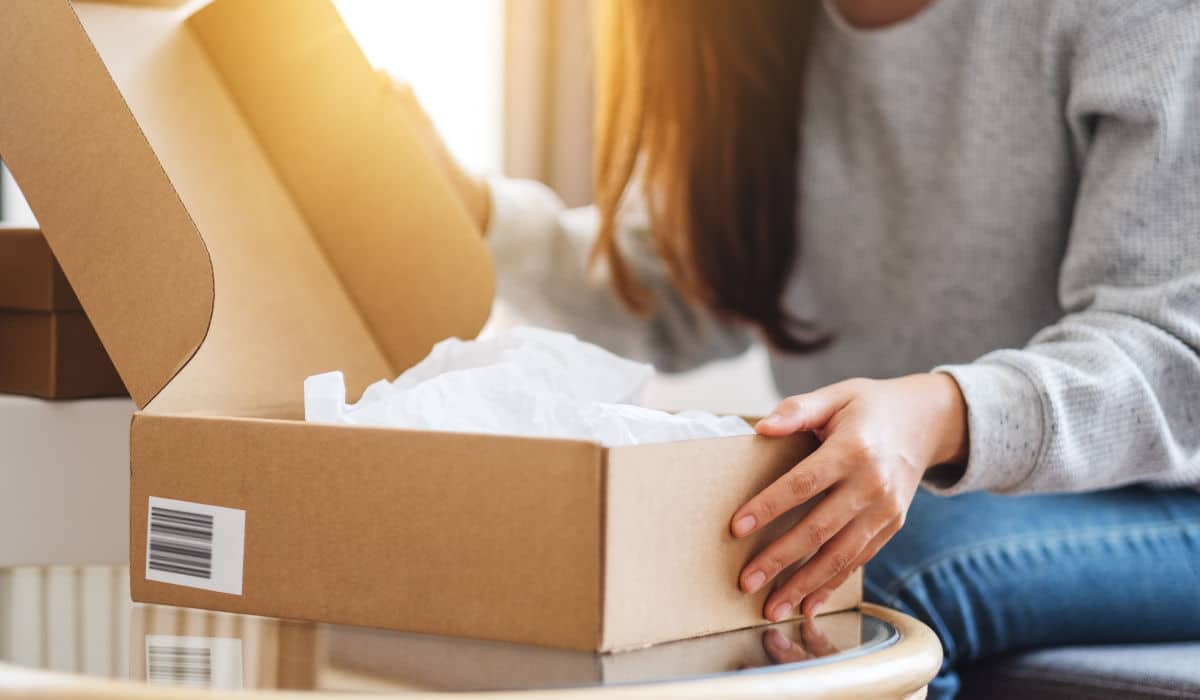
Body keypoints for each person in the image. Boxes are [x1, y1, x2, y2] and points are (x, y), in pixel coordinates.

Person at [396, 0, 1200, 696]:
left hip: (1165, 498)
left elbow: (1172, 351)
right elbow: (685, 292)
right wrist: (470, 209)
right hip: (923, 503)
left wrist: (938, 415)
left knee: (863, 577)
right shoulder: (752, 31)